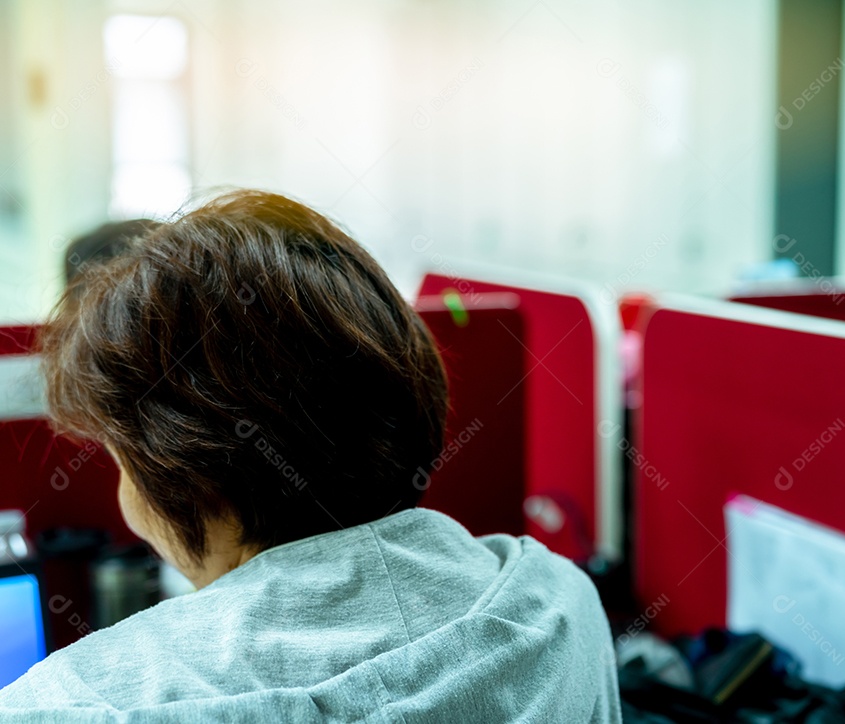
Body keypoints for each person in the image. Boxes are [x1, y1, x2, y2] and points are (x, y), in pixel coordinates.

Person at [0, 190, 620, 722]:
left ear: (188, 473)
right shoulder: (560, 608)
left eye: (121, 463)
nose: (124, 503)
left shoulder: (68, 706)